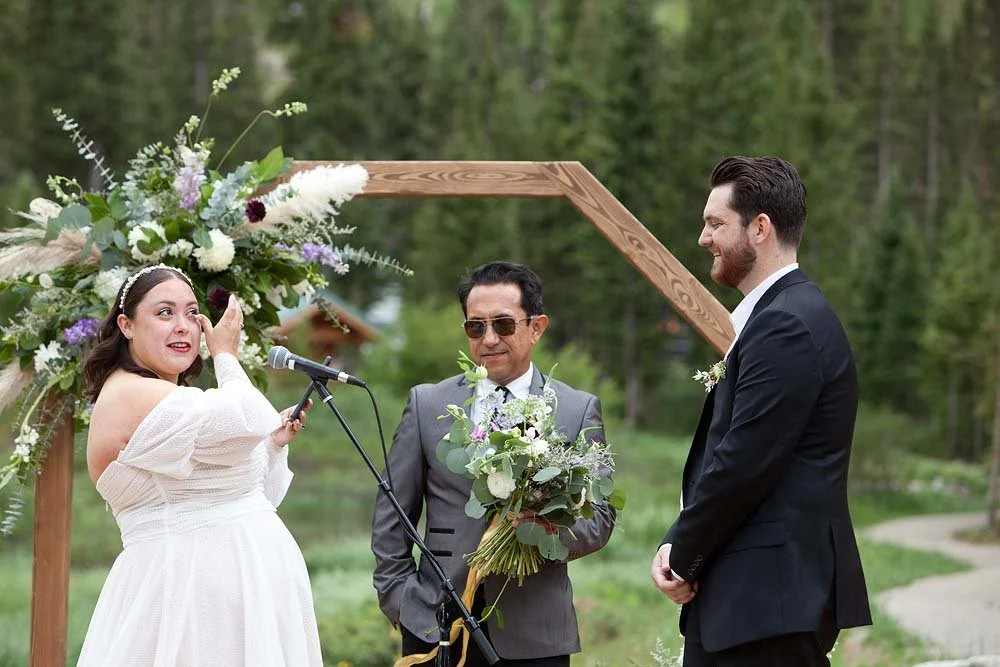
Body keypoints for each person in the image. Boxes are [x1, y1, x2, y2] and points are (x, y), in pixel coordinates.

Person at [651, 157, 872, 666]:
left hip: (765, 606)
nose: (703, 237)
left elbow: (744, 462)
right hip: (759, 602)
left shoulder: (786, 326)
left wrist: (680, 554)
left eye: (714, 223)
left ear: (760, 229)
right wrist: (677, 542)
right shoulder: (784, 315)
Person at [371, 261, 615, 666]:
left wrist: (545, 532)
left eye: (503, 325)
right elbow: (392, 514)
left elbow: (600, 517)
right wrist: (399, 600)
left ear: (536, 327)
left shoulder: (575, 410)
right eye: (475, 327)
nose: (489, 339)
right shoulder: (426, 404)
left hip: (537, 634)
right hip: (436, 627)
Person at [77, 264, 322, 666]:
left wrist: (272, 445)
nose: (184, 326)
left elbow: (252, 494)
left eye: (192, 313)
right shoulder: (129, 392)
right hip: (187, 597)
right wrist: (224, 354)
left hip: (241, 589)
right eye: (164, 313)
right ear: (126, 325)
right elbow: (248, 418)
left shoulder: (173, 399)